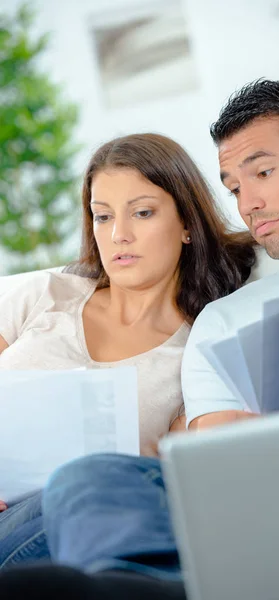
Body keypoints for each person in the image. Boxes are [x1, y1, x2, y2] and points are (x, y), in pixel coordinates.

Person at [2, 79, 279, 598]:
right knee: (89, 478)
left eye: (263, 172)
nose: (248, 203)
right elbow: (219, 454)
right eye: (235, 188)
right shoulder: (220, 320)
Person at [0, 133, 256, 571]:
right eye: (102, 217)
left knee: (90, 486)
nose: (118, 235)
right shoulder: (46, 294)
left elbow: (186, 481)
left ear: (188, 224)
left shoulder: (199, 348)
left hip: (84, 526)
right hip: (11, 515)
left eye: (142, 212)